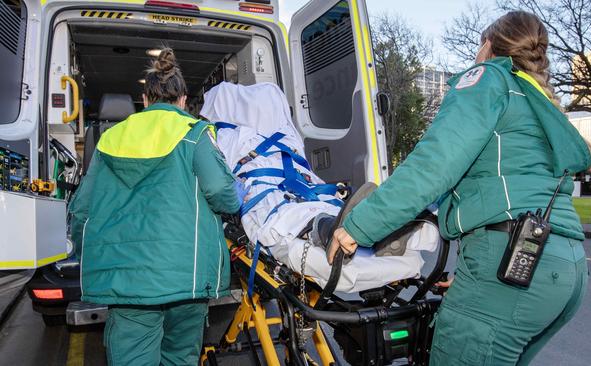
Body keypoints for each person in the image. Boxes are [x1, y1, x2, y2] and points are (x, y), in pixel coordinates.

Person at [328, 11, 591, 365]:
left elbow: (432, 167)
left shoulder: (487, 78)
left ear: (487, 46)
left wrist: (356, 228)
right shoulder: (539, 102)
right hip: (564, 271)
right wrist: (478, 274)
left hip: (512, 271)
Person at [69, 48, 243, 366]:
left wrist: (91, 257)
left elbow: (81, 210)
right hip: (186, 279)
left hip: (126, 281)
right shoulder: (196, 133)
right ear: (182, 99)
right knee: (179, 357)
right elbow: (223, 193)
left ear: (145, 100)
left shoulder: (109, 139)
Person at [200, 82, 440, 292]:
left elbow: (217, 183)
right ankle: (374, 228)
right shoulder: (286, 135)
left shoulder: (223, 137)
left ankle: (340, 229)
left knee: (289, 214)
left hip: (277, 190)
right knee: (309, 209)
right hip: (291, 190)